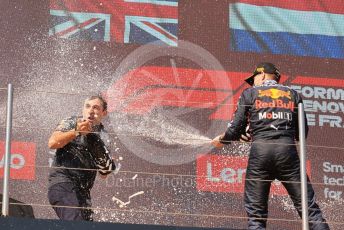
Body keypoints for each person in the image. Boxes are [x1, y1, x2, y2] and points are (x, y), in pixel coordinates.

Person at [212, 63, 329, 230]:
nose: (253, 83)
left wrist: (222, 140)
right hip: (288, 154)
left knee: (256, 217)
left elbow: (234, 129)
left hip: (260, 154)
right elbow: (302, 133)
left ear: (263, 75)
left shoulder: (250, 93)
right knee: (311, 211)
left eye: (254, 79)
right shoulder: (293, 94)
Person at [47, 95, 116, 221]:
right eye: (87, 106)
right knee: (76, 223)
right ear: (82, 109)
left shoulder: (104, 137)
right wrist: (77, 131)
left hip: (83, 193)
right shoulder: (72, 122)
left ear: (104, 113)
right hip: (63, 183)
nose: (90, 111)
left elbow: (104, 173)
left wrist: (94, 142)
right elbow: (52, 142)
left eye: (96, 108)